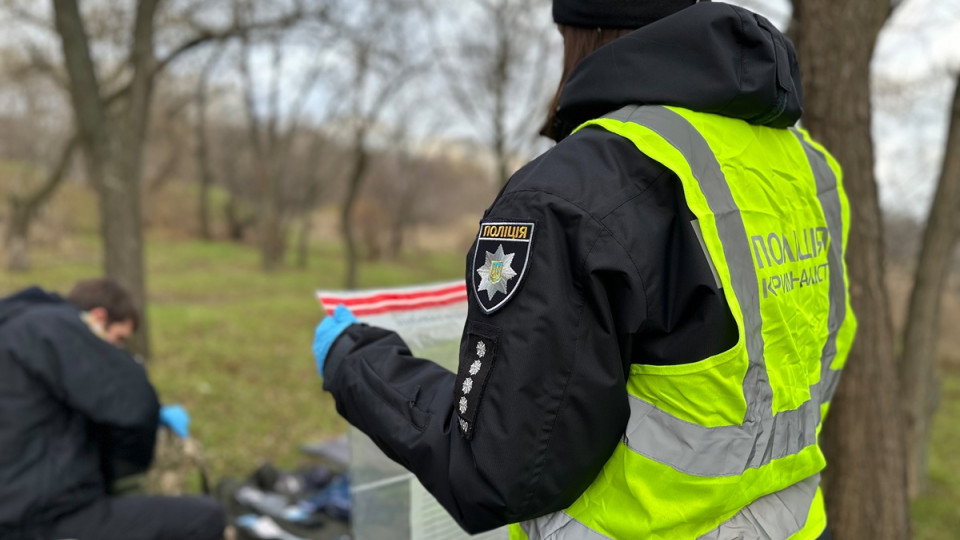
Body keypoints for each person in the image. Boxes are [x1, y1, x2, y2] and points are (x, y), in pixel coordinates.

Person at [312, 1, 855, 539]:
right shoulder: (808, 169)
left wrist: (353, 359)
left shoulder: (572, 192)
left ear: (581, 33)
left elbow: (495, 470)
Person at [0, 278, 225, 540]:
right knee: (206, 517)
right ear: (97, 319)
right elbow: (134, 405)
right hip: (40, 517)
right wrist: (128, 467)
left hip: (19, 506)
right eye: (118, 340)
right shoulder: (51, 327)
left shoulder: (14, 331)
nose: (116, 351)